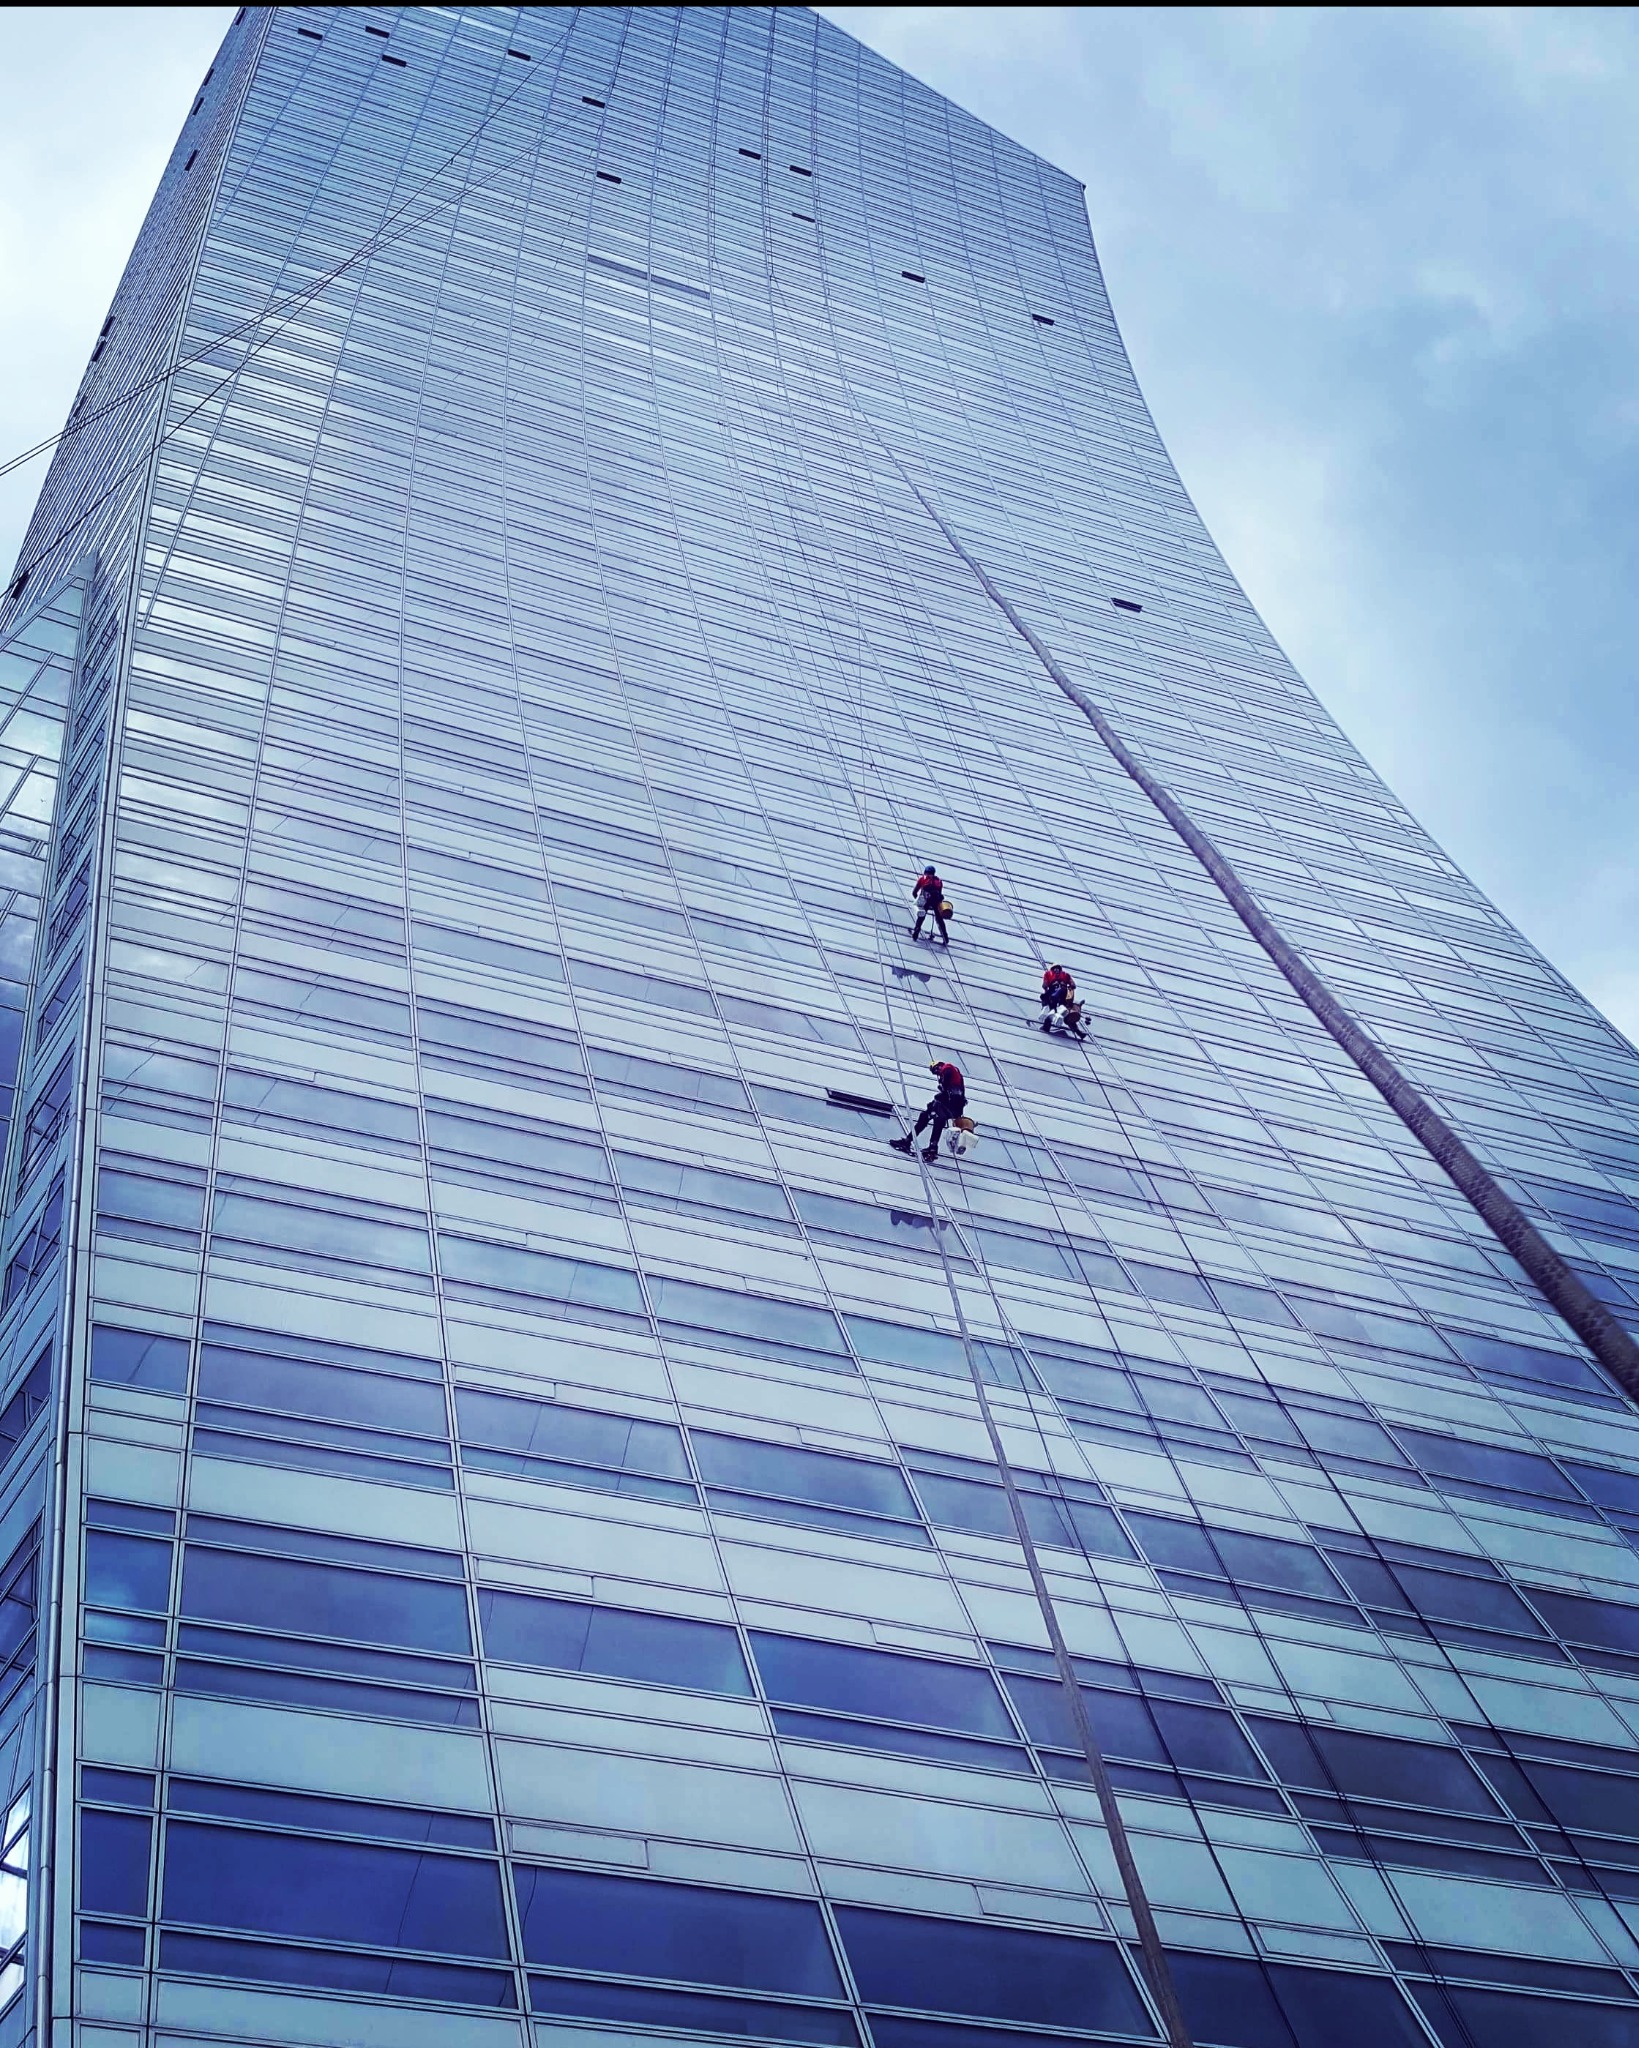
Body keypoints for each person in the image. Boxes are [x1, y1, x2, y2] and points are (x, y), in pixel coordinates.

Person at [889, 1060, 967, 1162]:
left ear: (939, 1066)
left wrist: (943, 1084)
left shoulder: (947, 1068)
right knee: (926, 1117)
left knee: (937, 1119)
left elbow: (947, 1077)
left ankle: (931, 1147)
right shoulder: (954, 1076)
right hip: (952, 1105)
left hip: (950, 1104)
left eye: (936, 1070)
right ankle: (914, 1142)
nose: (937, 1073)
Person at [1038, 964, 1087, 1039]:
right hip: (1053, 996)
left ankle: (1078, 1032)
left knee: (1067, 1015)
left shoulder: (1065, 975)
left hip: (1061, 996)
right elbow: (1045, 985)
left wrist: (1071, 986)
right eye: (1055, 969)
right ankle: (1046, 1028)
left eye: (1058, 969)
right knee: (1050, 1014)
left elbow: (1072, 983)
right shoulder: (1048, 975)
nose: (1056, 970)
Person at [910, 864, 950, 946]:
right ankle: (945, 938)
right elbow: (940, 893)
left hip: (925, 901)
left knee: (921, 917)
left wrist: (918, 900)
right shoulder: (938, 881)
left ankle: (916, 933)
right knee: (939, 920)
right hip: (936, 902)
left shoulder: (922, 879)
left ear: (925, 872)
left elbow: (914, 892)